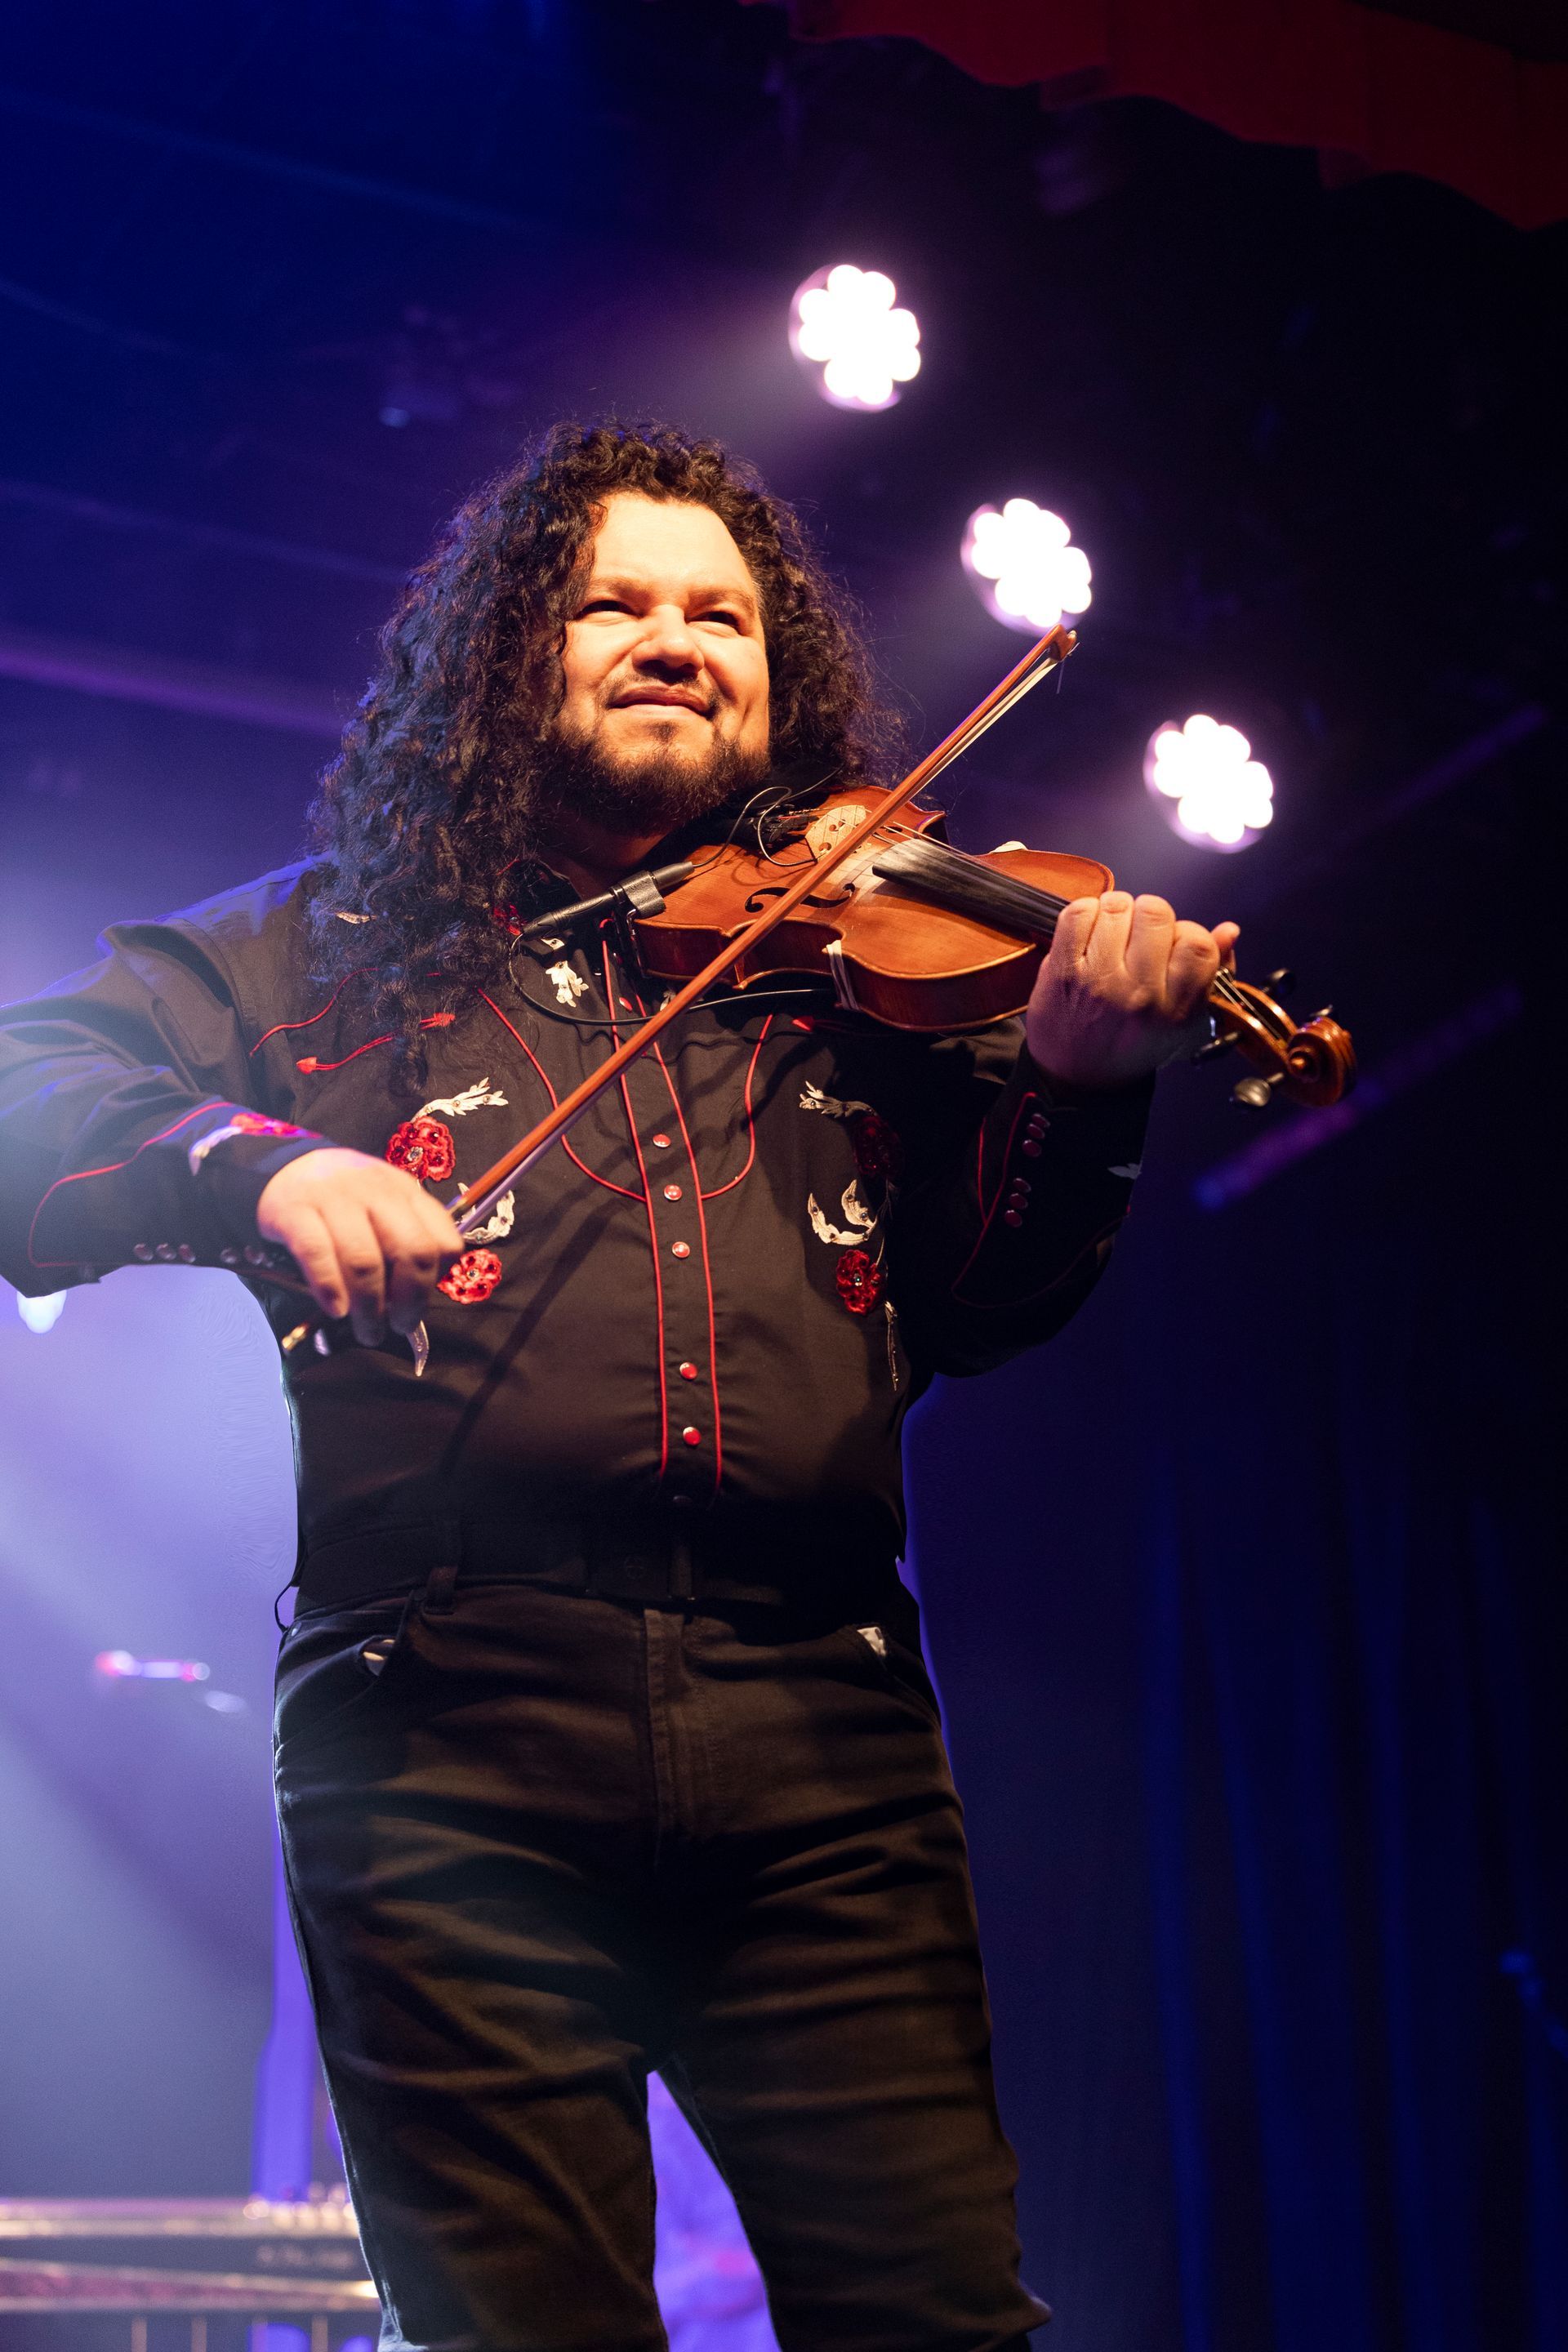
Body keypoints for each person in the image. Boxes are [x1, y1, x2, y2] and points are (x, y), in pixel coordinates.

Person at [0, 425, 1236, 2352]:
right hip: (441, 1733)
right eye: (617, 607)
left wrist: (1086, 1097)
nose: (676, 642)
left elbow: (981, 1310)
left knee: (937, 2319)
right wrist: (263, 1161)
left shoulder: (863, 966)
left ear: (777, 667)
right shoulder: (328, 949)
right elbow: (22, 1099)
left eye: (720, 615)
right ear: (515, 659)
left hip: (819, 1725)